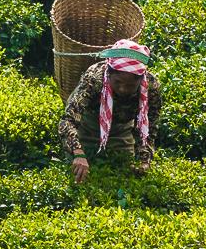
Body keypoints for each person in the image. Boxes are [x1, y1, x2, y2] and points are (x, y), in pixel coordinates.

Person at [58, 39, 162, 183]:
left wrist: (145, 159)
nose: (123, 89)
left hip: (121, 130)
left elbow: (150, 125)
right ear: (109, 74)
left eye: (130, 85)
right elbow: (67, 121)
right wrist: (78, 152)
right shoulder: (94, 79)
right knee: (82, 171)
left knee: (125, 171)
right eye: (118, 82)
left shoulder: (151, 87)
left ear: (140, 80)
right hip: (88, 126)